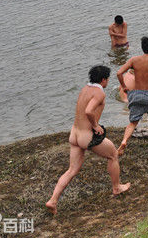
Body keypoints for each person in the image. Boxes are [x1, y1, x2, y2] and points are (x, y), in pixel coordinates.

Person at [45, 65, 130, 214]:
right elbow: (89, 111)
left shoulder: (84, 89)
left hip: (74, 135)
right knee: (113, 155)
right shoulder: (99, 93)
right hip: (87, 135)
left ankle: (53, 200)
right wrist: (96, 125)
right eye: (108, 79)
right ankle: (116, 187)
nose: (108, 81)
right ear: (103, 80)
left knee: (72, 170)